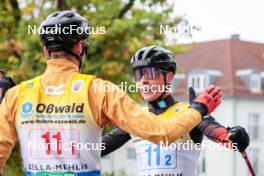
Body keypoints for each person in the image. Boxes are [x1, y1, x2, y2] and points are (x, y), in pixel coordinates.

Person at [0, 11, 222, 175]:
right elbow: (161, 132)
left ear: (45, 51)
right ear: (79, 48)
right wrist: (199, 109)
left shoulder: (16, 95)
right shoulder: (99, 90)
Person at [101, 46, 250, 176]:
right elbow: (96, 149)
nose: (143, 81)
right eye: (139, 75)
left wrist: (232, 136)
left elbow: (216, 131)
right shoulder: (137, 117)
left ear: (170, 77)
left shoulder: (189, 113)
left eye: (151, 73)